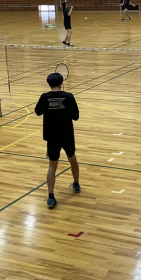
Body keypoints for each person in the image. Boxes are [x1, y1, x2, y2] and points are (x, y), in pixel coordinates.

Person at [34, 73, 81, 209]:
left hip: (52, 137)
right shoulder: (69, 97)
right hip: (67, 135)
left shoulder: (44, 97)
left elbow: (38, 112)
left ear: (48, 84)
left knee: (52, 166)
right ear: (61, 82)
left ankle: (50, 197)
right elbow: (76, 116)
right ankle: (76, 185)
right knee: (72, 159)